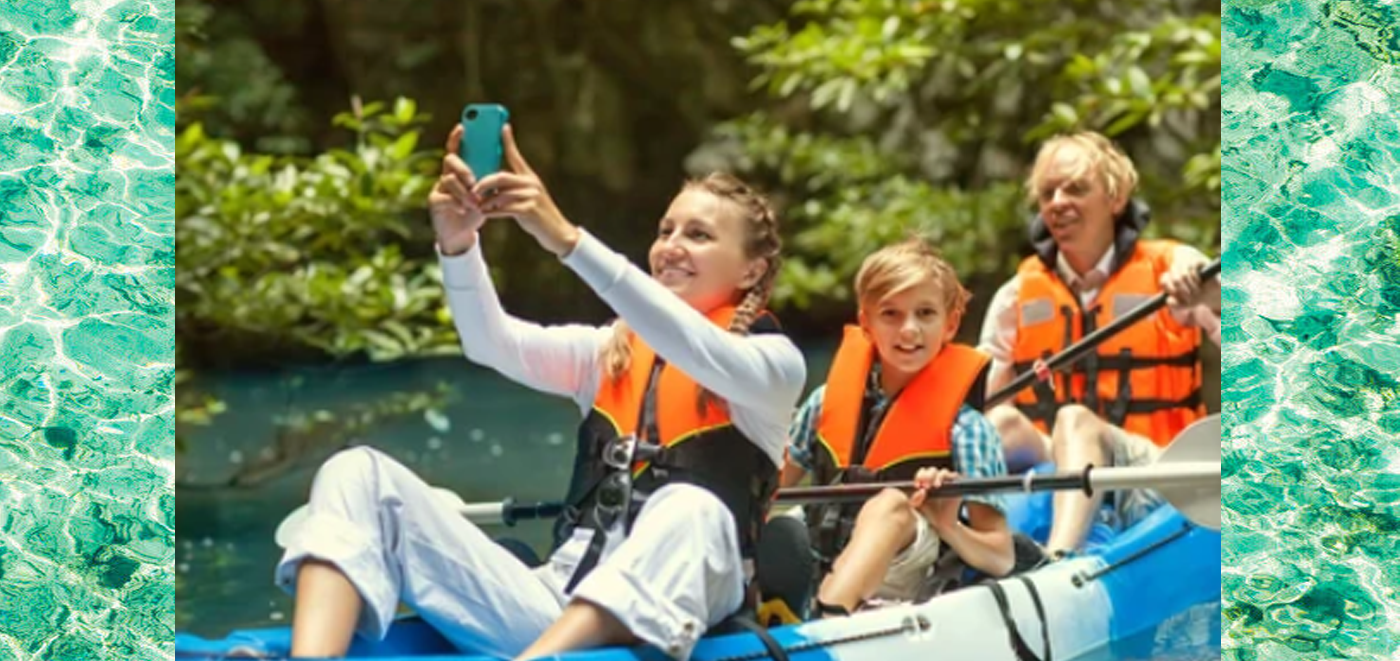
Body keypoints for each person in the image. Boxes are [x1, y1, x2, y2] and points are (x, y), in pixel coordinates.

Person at [274, 123, 805, 660]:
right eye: (666, 230)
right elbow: (490, 342)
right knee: (356, 471)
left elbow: (697, 347)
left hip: (682, 617)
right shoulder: (607, 352)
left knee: (692, 505)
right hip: (553, 608)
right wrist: (458, 245)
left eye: (698, 235)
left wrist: (567, 240)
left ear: (752, 269)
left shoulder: (772, 366)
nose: (670, 246)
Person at [979, 131, 1222, 558]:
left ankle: (1058, 560)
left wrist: (1209, 289)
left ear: (1116, 198)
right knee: (996, 421)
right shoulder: (1016, 295)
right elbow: (977, 399)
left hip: (1153, 470)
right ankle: (950, 549)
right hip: (1056, 461)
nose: (1057, 202)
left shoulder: (1172, 268)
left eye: (1075, 188)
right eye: (1048, 192)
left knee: (1074, 419)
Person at [782, 238, 1017, 616]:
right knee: (774, 520)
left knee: (891, 503)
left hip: (908, 563)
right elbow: (773, 488)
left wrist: (948, 524)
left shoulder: (968, 430)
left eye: (925, 314)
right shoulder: (825, 402)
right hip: (821, 548)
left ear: (950, 323)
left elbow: (1001, 556)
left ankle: (824, 619)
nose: (909, 330)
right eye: (891, 314)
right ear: (866, 323)